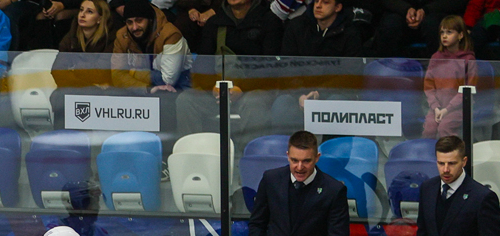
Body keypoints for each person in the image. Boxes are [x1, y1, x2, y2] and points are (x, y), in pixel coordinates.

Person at [175, 0, 283, 147]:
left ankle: (247, 156)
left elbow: (271, 69)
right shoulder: (215, 22)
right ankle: (193, 152)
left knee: (254, 103)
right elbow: (202, 66)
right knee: (186, 100)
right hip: (219, 91)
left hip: (255, 89)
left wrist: (242, 88)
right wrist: (213, 88)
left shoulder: (269, 20)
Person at [270, 0, 363, 130]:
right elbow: (287, 68)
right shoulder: (296, 26)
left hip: (333, 94)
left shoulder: (350, 33)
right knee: (282, 103)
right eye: (316, 1)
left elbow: (349, 75)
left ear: (337, 7)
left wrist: (320, 93)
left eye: (325, 2)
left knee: (337, 103)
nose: (318, 6)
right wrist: (300, 94)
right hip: (299, 93)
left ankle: (332, 144)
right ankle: (284, 143)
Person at [111, 0, 190, 95]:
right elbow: (117, 75)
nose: (134, 27)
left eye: (139, 20)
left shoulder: (170, 35)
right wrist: (147, 89)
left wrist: (133, 73)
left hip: (179, 89)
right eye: (129, 22)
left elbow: (168, 80)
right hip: (143, 90)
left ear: (150, 19)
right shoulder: (122, 36)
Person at [423, 16, 476, 138]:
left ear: (460, 35)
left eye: (449, 32)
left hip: (460, 108)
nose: (444, 36)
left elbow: (468, 89)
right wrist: (436, 107)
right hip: (437, 107)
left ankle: (451, 151)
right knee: (429, 129)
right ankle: (430, 151)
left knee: (445, 128)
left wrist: (447, 109)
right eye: (442, 32)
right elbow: (428, 86)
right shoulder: (436, 58)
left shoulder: (469, 59)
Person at [374, 0, 467, 56]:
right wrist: (406, 9)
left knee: (434, 25)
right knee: (390, 24)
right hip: (400, 11)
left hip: (436, 12)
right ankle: (387, 73)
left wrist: (426, 10)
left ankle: (441, 73)